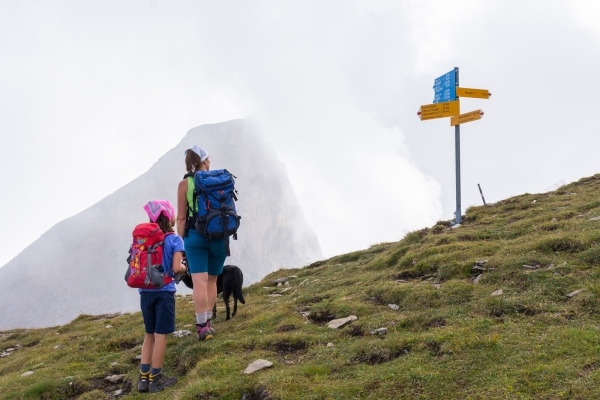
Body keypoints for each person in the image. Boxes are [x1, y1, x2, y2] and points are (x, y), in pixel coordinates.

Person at [176, 146, 227, 341]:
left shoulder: (184, 184)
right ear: (206, 160)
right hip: (220, 236)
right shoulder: (220, 178)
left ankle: (202, 327)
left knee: (199, 282)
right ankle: (209, 322)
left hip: (195, 237)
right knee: (212, 280)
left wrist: (180, 245)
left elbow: (181, 218)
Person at [137, 200, 186, 393]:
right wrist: (183, 267)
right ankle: (156, 379)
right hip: (164, 292)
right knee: (161, 335)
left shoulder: (144, 238)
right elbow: (175, 268)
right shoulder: (174, 240)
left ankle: (143, 379)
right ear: (169, 216)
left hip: (145, 292)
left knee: (149, 334)